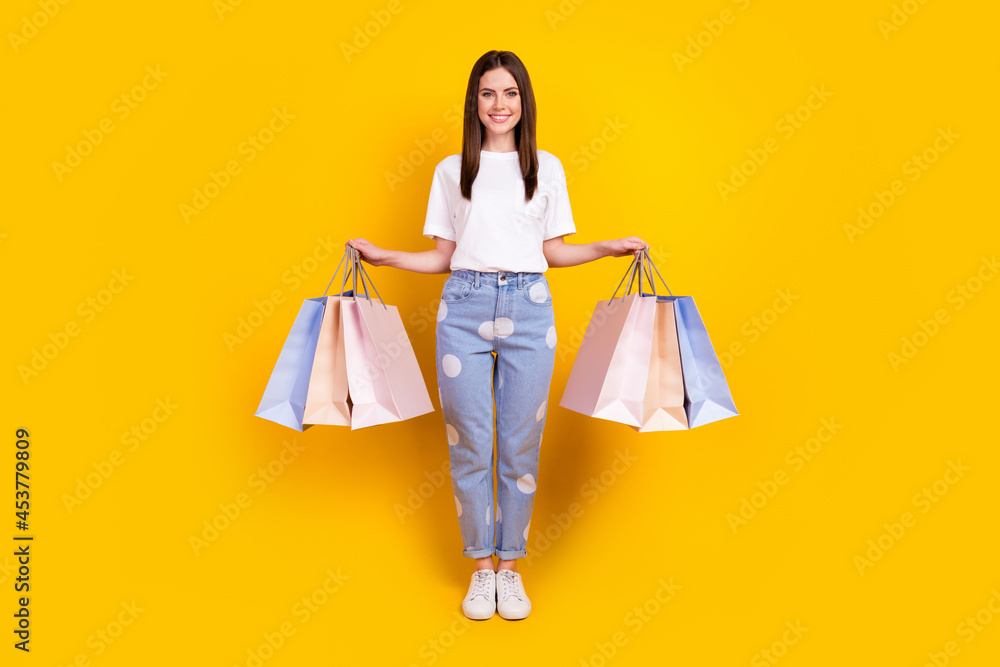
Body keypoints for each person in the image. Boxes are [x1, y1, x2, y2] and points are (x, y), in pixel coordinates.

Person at [347, 49, 646, 621]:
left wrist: (608, 247)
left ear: (523, 101)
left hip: (530, 307)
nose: (499, 104)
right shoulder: (451, 170)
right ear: (474, 102)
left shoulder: (546, 168)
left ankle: (511, 570)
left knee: (518, 445)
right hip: (463, 304)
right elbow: (443, 258)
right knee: (469, 442)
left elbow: (554, 251)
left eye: (509, 93)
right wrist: (386, 258)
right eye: (488, 94)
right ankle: (480, 570)